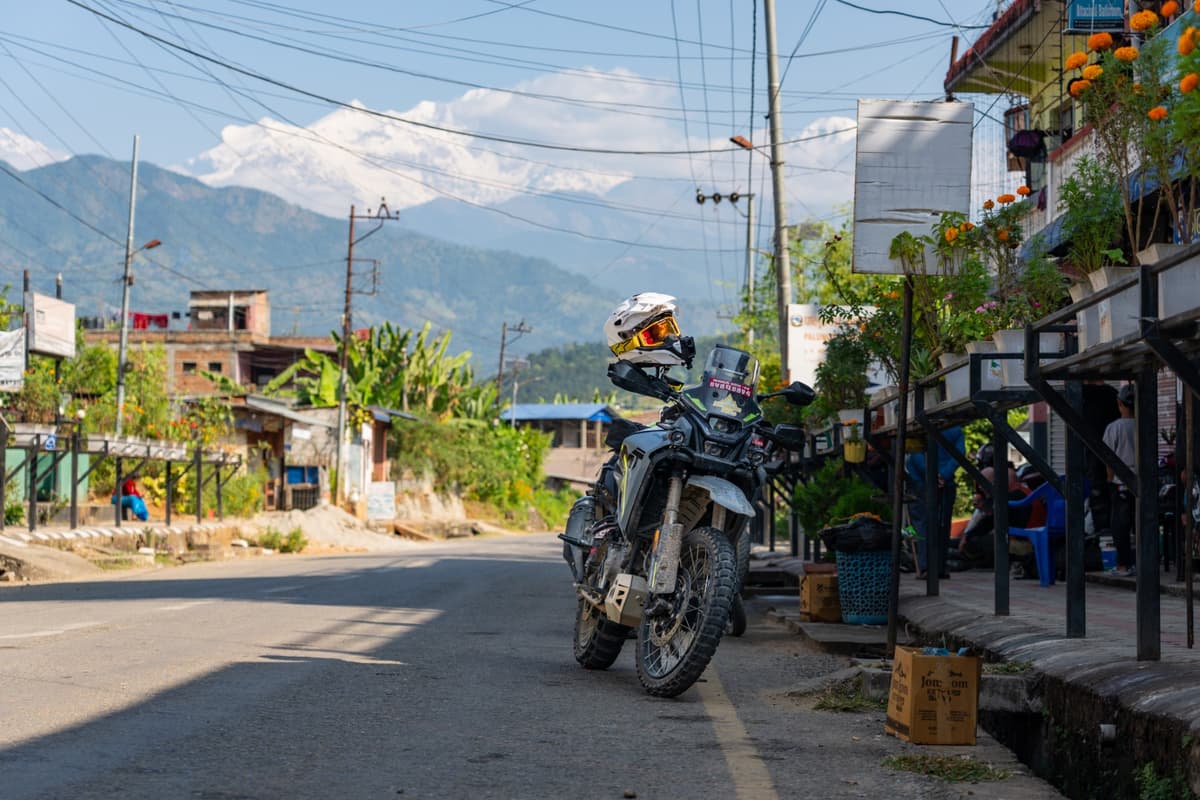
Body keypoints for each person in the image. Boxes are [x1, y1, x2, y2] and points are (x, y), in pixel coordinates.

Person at [906, 426, 964, 579]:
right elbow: (959, 454)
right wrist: (943, 475)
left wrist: (932, 474)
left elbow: (915, 455)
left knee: (922, 526)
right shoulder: (955, 429)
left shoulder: (918, 427)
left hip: (921, 483)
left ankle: (926, 567)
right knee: (943, 524)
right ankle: (940, 567)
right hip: (946, 483)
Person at [1103, 383, 1137, 577]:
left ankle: (1123, 565)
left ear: (1119, 403)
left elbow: (1108, 458)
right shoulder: (1144, 426)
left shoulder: (1113, 428)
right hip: (1141, 482)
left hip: (1120, 483)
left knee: (1120, 526)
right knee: (1140, 525)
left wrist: (1110, 481)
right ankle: (1143, 563)